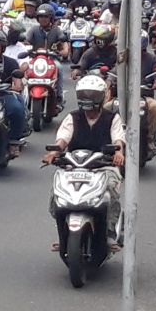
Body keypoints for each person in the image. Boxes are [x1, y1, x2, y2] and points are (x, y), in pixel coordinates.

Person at [43, 76, 124, 251]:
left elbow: (118, 140)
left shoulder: (112, 118)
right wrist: (53, 153)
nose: (88, 100)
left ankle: (110, 234)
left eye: (92, 95)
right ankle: (63, 233)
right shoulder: (73, 117)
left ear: (102, 97)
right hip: (74, 165)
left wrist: (118, 153)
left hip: (103, 166)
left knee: (110, 193)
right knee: (57, 195)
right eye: (85, 95)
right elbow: (63, 140)